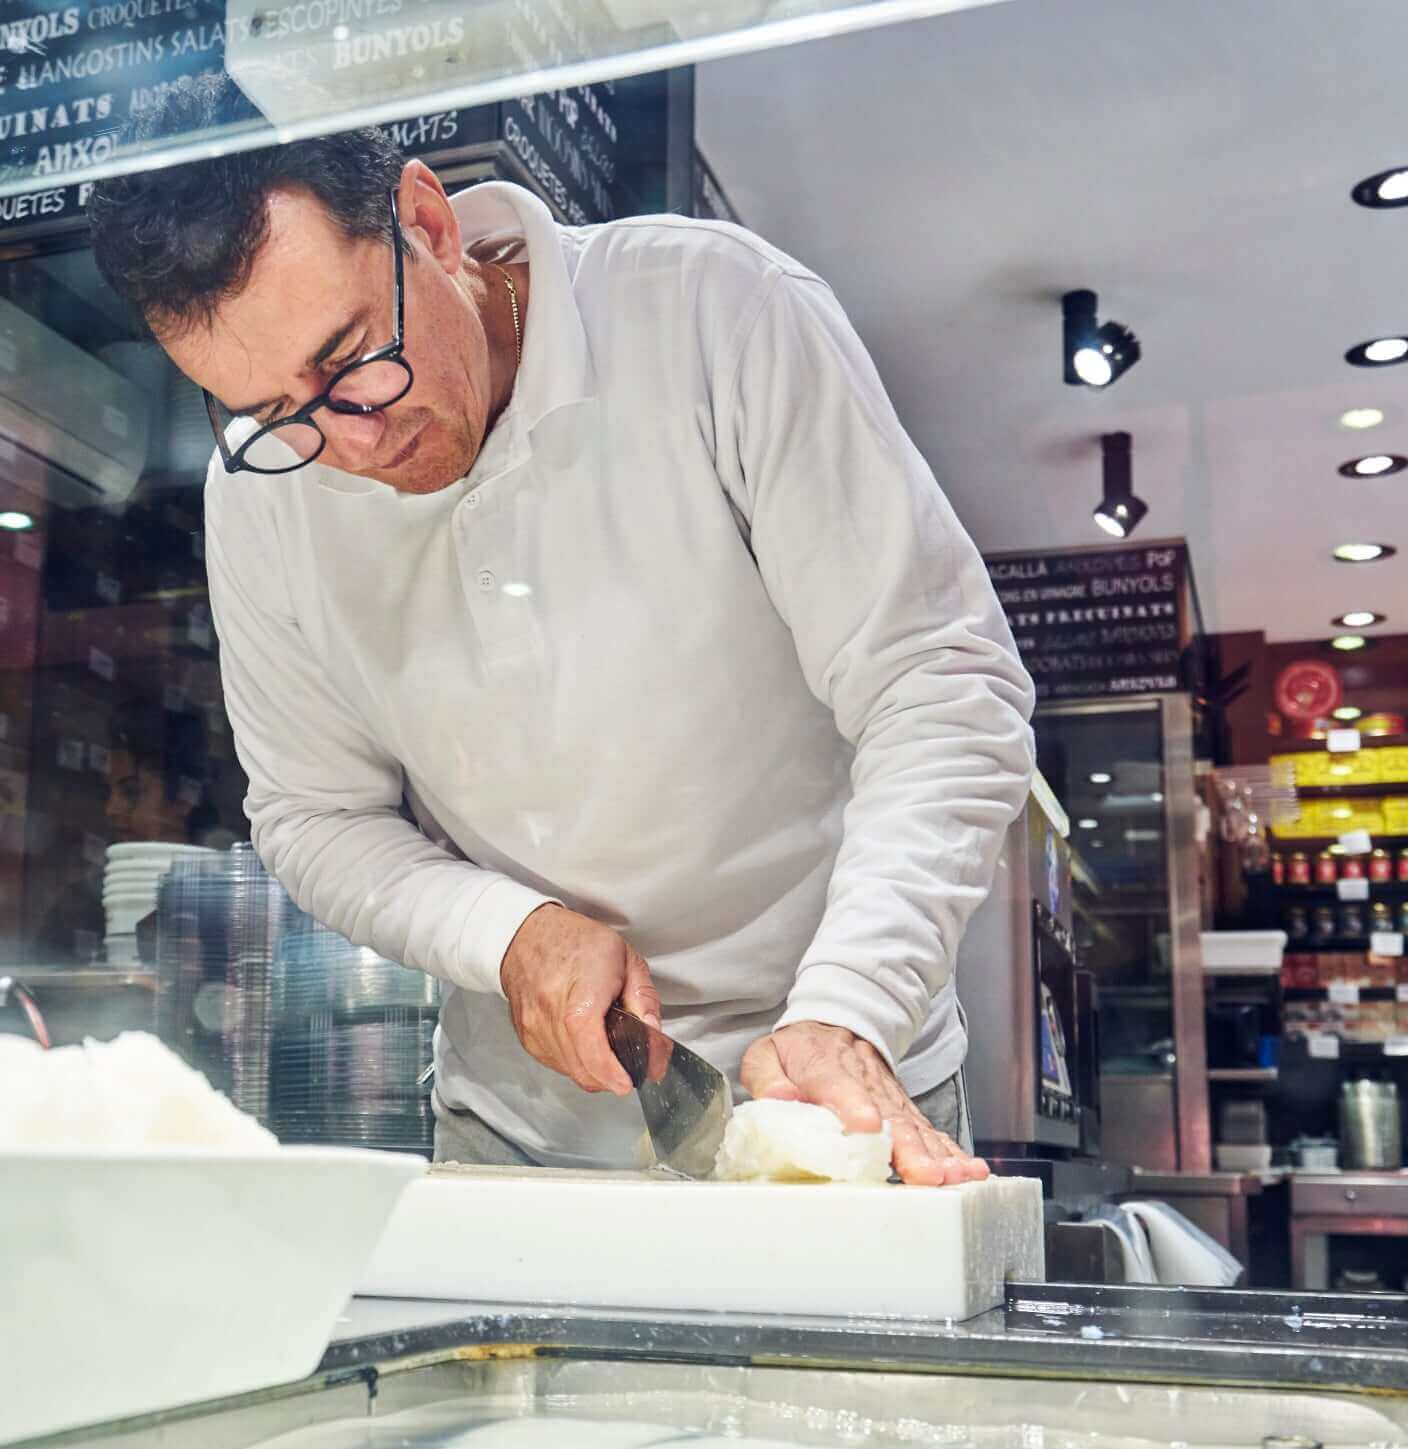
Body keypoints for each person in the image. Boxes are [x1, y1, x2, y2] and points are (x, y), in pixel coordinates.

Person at [87, 84, 1035, 1184]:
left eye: (350, 360)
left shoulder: (710, 310)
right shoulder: (260, 493)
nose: (343, 441)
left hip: (840, 1095)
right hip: (519, 1127)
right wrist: (510, 931)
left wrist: (851, 1004)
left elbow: (937, 685)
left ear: (429, 227)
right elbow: (311, 817)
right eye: (271, 412)